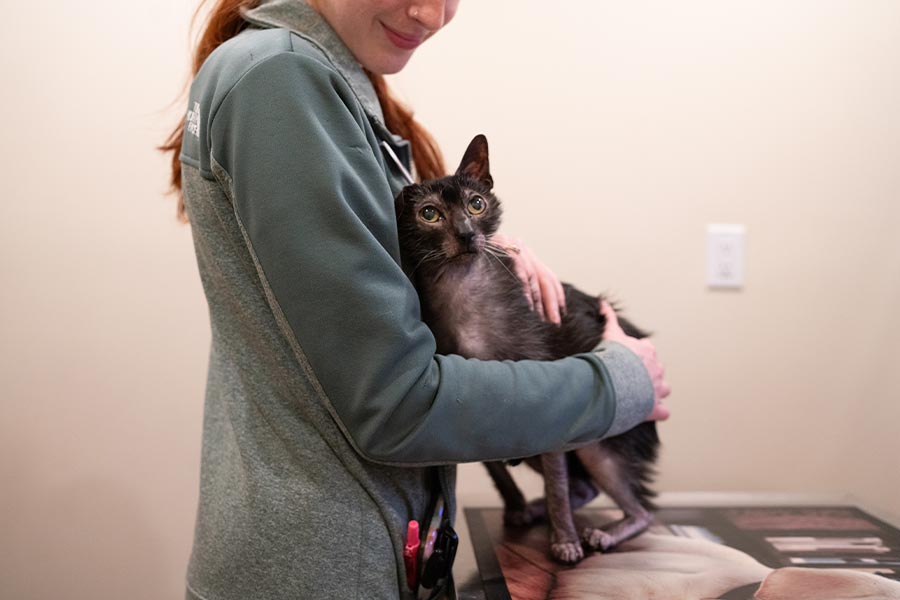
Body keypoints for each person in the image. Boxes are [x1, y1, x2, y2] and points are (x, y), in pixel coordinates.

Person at [161, 1, 671, 598]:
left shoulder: (323, 74)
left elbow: (367, 290)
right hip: (322, 575)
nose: (431, 13)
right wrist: (615, 383)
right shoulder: (281, 78)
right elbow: (397, 403)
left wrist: (484, 253)